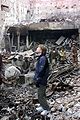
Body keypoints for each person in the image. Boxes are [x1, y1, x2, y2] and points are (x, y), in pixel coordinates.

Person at [33, 44, 50, 116]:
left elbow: (41, 70)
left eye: (38, 48)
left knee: (41, 95)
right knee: (41, 94)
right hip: (40, 78)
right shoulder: (41, 57)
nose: (37, 49)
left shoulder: (43, 58)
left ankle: (47, 109)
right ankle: (43, 106)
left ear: (41, 50)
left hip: (42, 79)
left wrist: (38, 78)